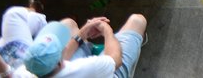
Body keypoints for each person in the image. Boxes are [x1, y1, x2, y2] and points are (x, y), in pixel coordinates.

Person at [8, 8, 147, 78]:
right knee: (137, 21)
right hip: (106, 72)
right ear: (59, 62)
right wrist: (106, 31)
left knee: (67, 24)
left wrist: (83, 33)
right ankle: (138, 42)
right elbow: (115, 59)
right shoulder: (88, 67)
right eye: (60, 49)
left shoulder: (24, 73)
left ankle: (87, 43)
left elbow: (60, 60)